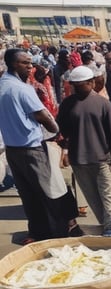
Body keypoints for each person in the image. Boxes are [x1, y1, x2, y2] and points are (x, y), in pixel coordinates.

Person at [0, 49, 75, 242]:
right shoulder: (22, 89)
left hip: (12, 150)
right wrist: (56, 131)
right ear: (14, 64)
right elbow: (45, 118)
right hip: (32, 150)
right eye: (26, 63)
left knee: (28, 195)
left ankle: (37, 232)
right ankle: (59, 233)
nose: (31, 66)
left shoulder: (2, 85)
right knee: (50, 192)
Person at [57, 65, 111, 237]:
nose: (77, 88)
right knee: (91, 196)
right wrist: (64, 151)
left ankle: (110, 224)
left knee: (107, 193)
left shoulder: (103, 104)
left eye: (81, 84)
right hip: (79, 158)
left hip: (102, 157)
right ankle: (106, 223)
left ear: (91, 83)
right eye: (74, 85)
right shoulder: (68, 104)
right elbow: (61, 130)